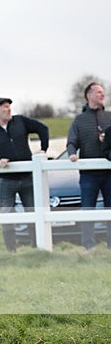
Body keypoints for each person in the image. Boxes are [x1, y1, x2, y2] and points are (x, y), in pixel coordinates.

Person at [0, 98, 49, 252]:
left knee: (32, 212)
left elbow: (43, 128)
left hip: (27, 177)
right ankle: (11, 250)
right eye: (5, 107)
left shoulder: (21, 121)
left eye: (10, 107)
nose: (9, 110)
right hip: (6, 181)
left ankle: (37, 248)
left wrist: (44, 149)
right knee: (7, 215)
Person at [66, 82, 111, 250]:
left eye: (103, 92)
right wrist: (72, 153)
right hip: (89, 175)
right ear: (89, 95)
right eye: (98, 92)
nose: (102, 94)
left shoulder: (109, 117)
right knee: (88, 210)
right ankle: (88, 247)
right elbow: (71, 141)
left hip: (109, 173)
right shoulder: (79, 121)